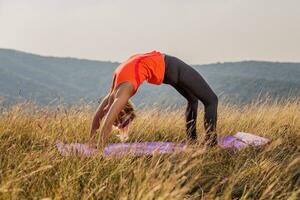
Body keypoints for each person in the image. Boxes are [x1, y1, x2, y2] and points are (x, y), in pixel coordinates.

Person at [89, 50, 218, 150]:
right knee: (195, 100)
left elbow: (106, 123)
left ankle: (209, 142)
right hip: (167, 69)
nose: (115, 124)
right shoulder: (114, 93)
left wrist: (100, 151)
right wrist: (91, 142)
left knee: (210, 100)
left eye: (118, 123)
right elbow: (98, 118)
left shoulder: (123, 92)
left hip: (172, 66)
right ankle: (194, 141)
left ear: (121, 112)